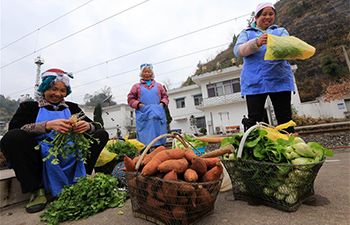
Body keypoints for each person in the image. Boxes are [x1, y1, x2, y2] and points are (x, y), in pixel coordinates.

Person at [0, 68, 108, 213]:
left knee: (101, 135)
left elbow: (97, 126)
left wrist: (88, 126)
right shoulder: (29, 107)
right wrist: (46, 126)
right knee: (12, 138)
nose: (57, 94)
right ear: (44, 88)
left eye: (62, 90)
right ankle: (36, 190)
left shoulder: (73, 108)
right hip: (40, 156)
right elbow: (15, 128)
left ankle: (81, 180)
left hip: (72, 154)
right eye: (53, 89)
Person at [233, 2, 295, 133]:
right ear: (256, 17)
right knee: (254, 120)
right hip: (254, 82)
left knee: (285, 119)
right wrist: (256, 43)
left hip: (280, 79)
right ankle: (255, 150)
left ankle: (288, 149)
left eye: (271, 14)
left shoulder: (280, 31)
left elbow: (289, 46)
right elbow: (238, 51)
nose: (268, 17)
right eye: (264, 14)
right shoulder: (247, 33)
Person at [127, 63, 169, 149]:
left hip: (158, 115)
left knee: (160, 140)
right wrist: (139, 105)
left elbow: (165, 97)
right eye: (145, 72)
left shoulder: (159, 86)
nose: (147, 74)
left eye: (148, 72)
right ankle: (144, 159)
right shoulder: (136, 87)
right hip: (144, 117)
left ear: (152, 73)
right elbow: (130, 99)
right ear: (141, 74)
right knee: (144, 143)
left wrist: (162, 104)